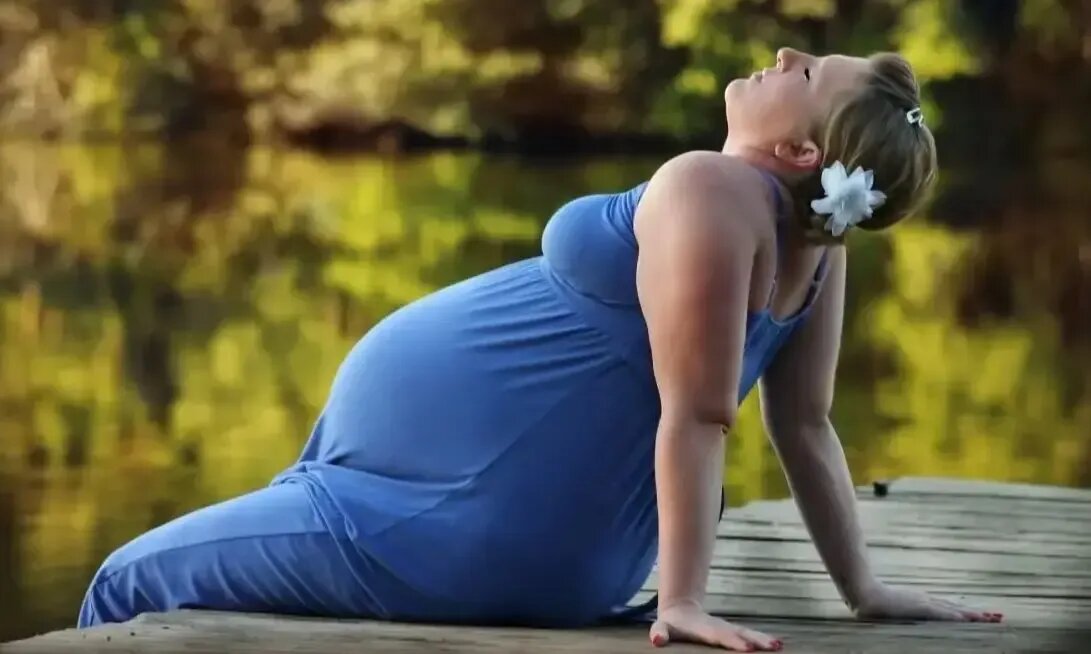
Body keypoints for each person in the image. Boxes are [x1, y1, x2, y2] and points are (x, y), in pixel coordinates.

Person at [77, 48, 1002, 651]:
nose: (785, 55)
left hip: (441, 521)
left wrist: (681, 601)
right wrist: (861, 588)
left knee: (125, 584)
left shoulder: (710, 187)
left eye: (804, 74)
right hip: (485, 520)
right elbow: (803, 427)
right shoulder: (817, 244)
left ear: (801, 154)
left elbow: (700, 413)